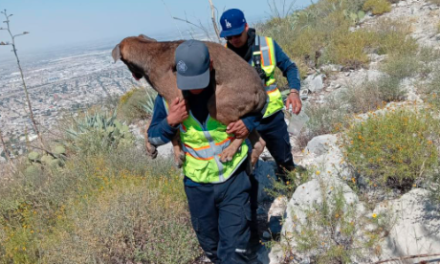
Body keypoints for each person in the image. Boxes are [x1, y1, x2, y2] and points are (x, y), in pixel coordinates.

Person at [147, 40, 262, 264]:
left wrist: (248, 122)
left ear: (210, 65)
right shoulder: (167, 97)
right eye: (188, 81)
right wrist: (170, 122)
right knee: (212, 248)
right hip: (197, 186)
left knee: (234, 253)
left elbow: (259, 104)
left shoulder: (228, 86)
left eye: (199, 80)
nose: (195, 88)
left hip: (233, 179)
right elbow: (154, 138)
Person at [220, 8, 302, 181]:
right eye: (229, 37)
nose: (233, 40)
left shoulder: (267, 45)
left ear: (246, 27)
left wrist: (293, 91)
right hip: (243, 122)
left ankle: (291, 190)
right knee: (244, 168)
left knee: (284, 160)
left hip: (271, 118)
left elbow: (290, 67)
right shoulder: (223, 55)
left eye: (237, 35)